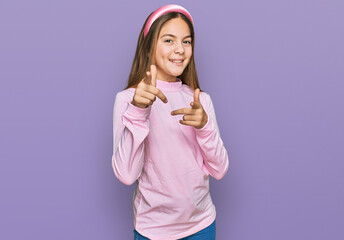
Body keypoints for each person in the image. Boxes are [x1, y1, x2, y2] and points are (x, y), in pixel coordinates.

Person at [112, 4, 229, 240]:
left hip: (201, 226)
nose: (179, 49)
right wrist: (138, 110)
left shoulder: (201, 100)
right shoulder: (127, 100)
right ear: (148, 48)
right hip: (152, 231)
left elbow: (220, 170)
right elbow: (126, 175)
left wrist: (204, 128)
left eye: (186, 41)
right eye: (168, 40)